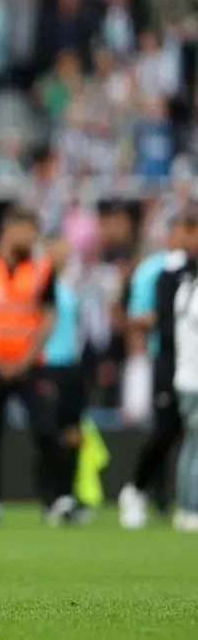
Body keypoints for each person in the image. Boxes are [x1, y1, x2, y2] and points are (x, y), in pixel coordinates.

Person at [0, 206, 76, 526]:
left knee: (45, 429)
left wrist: (26, 358)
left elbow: (49, 317)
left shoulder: (42, 268)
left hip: (30, 365)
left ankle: (59, 499)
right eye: (26, 230)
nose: (31, 238)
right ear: (8, 230)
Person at [119, 215, 190, 529]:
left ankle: (179, 501)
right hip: (168, 357)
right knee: (167, 429)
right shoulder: (157, 270)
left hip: (192, 357)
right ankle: (135, 489)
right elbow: (136, 317)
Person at [41, 236, 86, 524]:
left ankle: (68, 495)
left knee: (73, 433)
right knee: (49, 432)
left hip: (70, 365)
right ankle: (51, 497)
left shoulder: (67, 288)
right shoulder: (40, 288)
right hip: (48, 364)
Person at [170, 209, 198, 531]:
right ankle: (191, 508)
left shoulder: (183, 288)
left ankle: (187, 507)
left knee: (190, 445)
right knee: (194, 447)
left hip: (184, 377)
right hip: (193, 380)